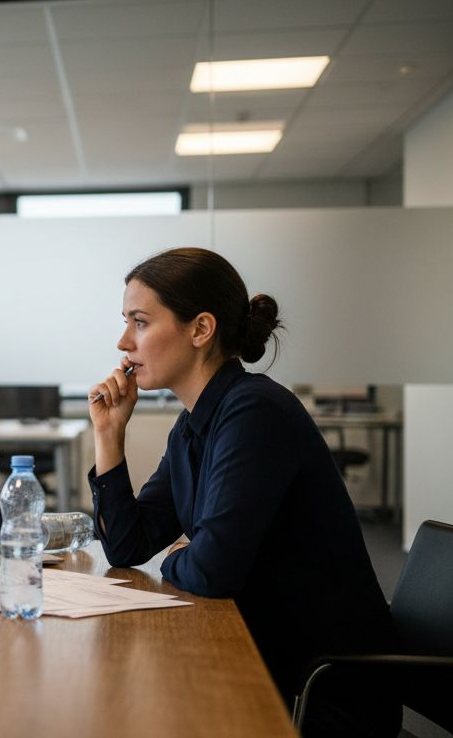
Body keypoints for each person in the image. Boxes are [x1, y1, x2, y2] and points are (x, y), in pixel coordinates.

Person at [86, 247, 398, 735]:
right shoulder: (194, 424)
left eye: (140, 322)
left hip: (321, 687)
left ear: (200, 329)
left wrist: (183, 554)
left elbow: (212, 570)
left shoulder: (255, 412)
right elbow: (127, 545)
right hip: (266, 653)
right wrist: (109, 435)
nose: (124, 341)